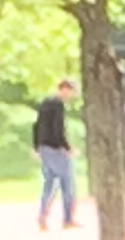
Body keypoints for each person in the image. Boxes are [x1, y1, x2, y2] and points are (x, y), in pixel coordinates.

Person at [31, 78, 79, 230]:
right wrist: (67, 147)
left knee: (49, 184)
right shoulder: (58, 105)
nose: (71, 96)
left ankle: (43, 215)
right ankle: (68, 219)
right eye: (71, 92)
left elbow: (36, 126)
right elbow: (58, 129)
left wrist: (37, 146)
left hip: (44, 148)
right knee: (67, 183)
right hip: (55, 148)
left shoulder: (45, 103)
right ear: (65, 89)